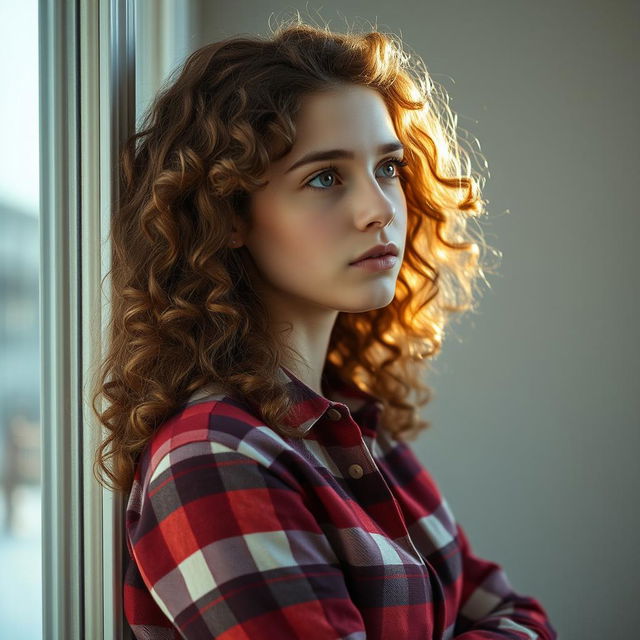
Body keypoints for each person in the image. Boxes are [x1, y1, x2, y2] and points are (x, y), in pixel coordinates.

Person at [92, 16, 557, 640]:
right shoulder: (213, 456)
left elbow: (518, 614)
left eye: (388, 168)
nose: (377, 210)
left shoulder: (352, 428)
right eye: (324, 178)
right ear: (228, 214)